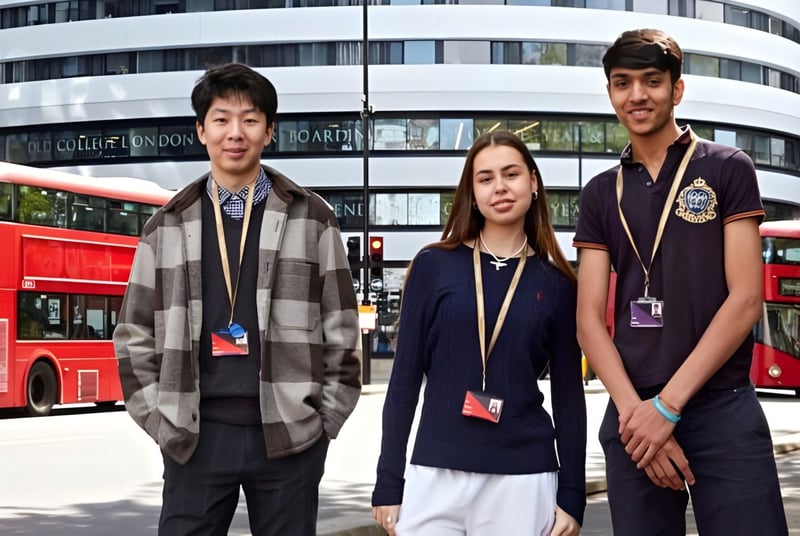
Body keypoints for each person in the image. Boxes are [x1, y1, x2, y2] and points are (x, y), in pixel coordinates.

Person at [113, 63, 362, 535]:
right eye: (222, 119)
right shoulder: (166, 225)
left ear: (269, 131)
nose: (235, 133)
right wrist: (162, 424)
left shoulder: (312, 218)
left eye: (250, 120)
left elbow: (342, 330)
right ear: (201, 129)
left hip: (290, 437)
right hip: (196, 437)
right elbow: (132, 336)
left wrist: (323, 424)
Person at [574, 29, 788, 535]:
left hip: (721, 407)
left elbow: (745, 299)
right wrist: (639, 415)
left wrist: (668, 407)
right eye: (622, 83)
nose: (637, 95)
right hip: (634, 416)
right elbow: (588, 319)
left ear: (678, 89)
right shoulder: (601, 193)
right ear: (610, 93)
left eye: (652, 81)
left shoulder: (726, 169)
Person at [372, 131, 586, 535]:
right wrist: (388, 481)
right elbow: (403, 380)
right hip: (434, 473)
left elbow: (569, 396)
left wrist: (572, 494)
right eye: (485, 178)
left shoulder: (556, 283)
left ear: (534, 182)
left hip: (523, 477)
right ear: (472, 192)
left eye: (511, 174)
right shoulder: (433, 265)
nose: (500, 187)